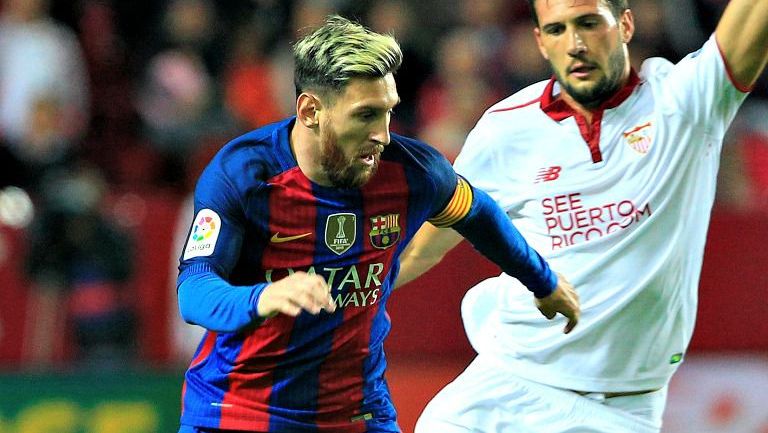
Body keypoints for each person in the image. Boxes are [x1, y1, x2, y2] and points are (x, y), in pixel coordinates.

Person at [175, 15, 579, 433]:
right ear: (311, 110)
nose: (383, 135)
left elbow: (477, 212)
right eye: (366, 115)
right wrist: (263, 298)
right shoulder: (243, 173)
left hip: (357, 413)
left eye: (388, 112)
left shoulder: (413, 172)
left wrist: (542, 281)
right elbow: (194, 290)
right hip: (238, 411)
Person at [398, 1, 768, 432]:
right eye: (556, 30)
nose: (574, 44)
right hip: (505, 388)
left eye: (589, 23)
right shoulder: (507, 129)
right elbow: (423, 248)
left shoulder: (685, 102)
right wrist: (337, 300)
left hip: (620, 410)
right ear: (540, 41)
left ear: (625, 25)